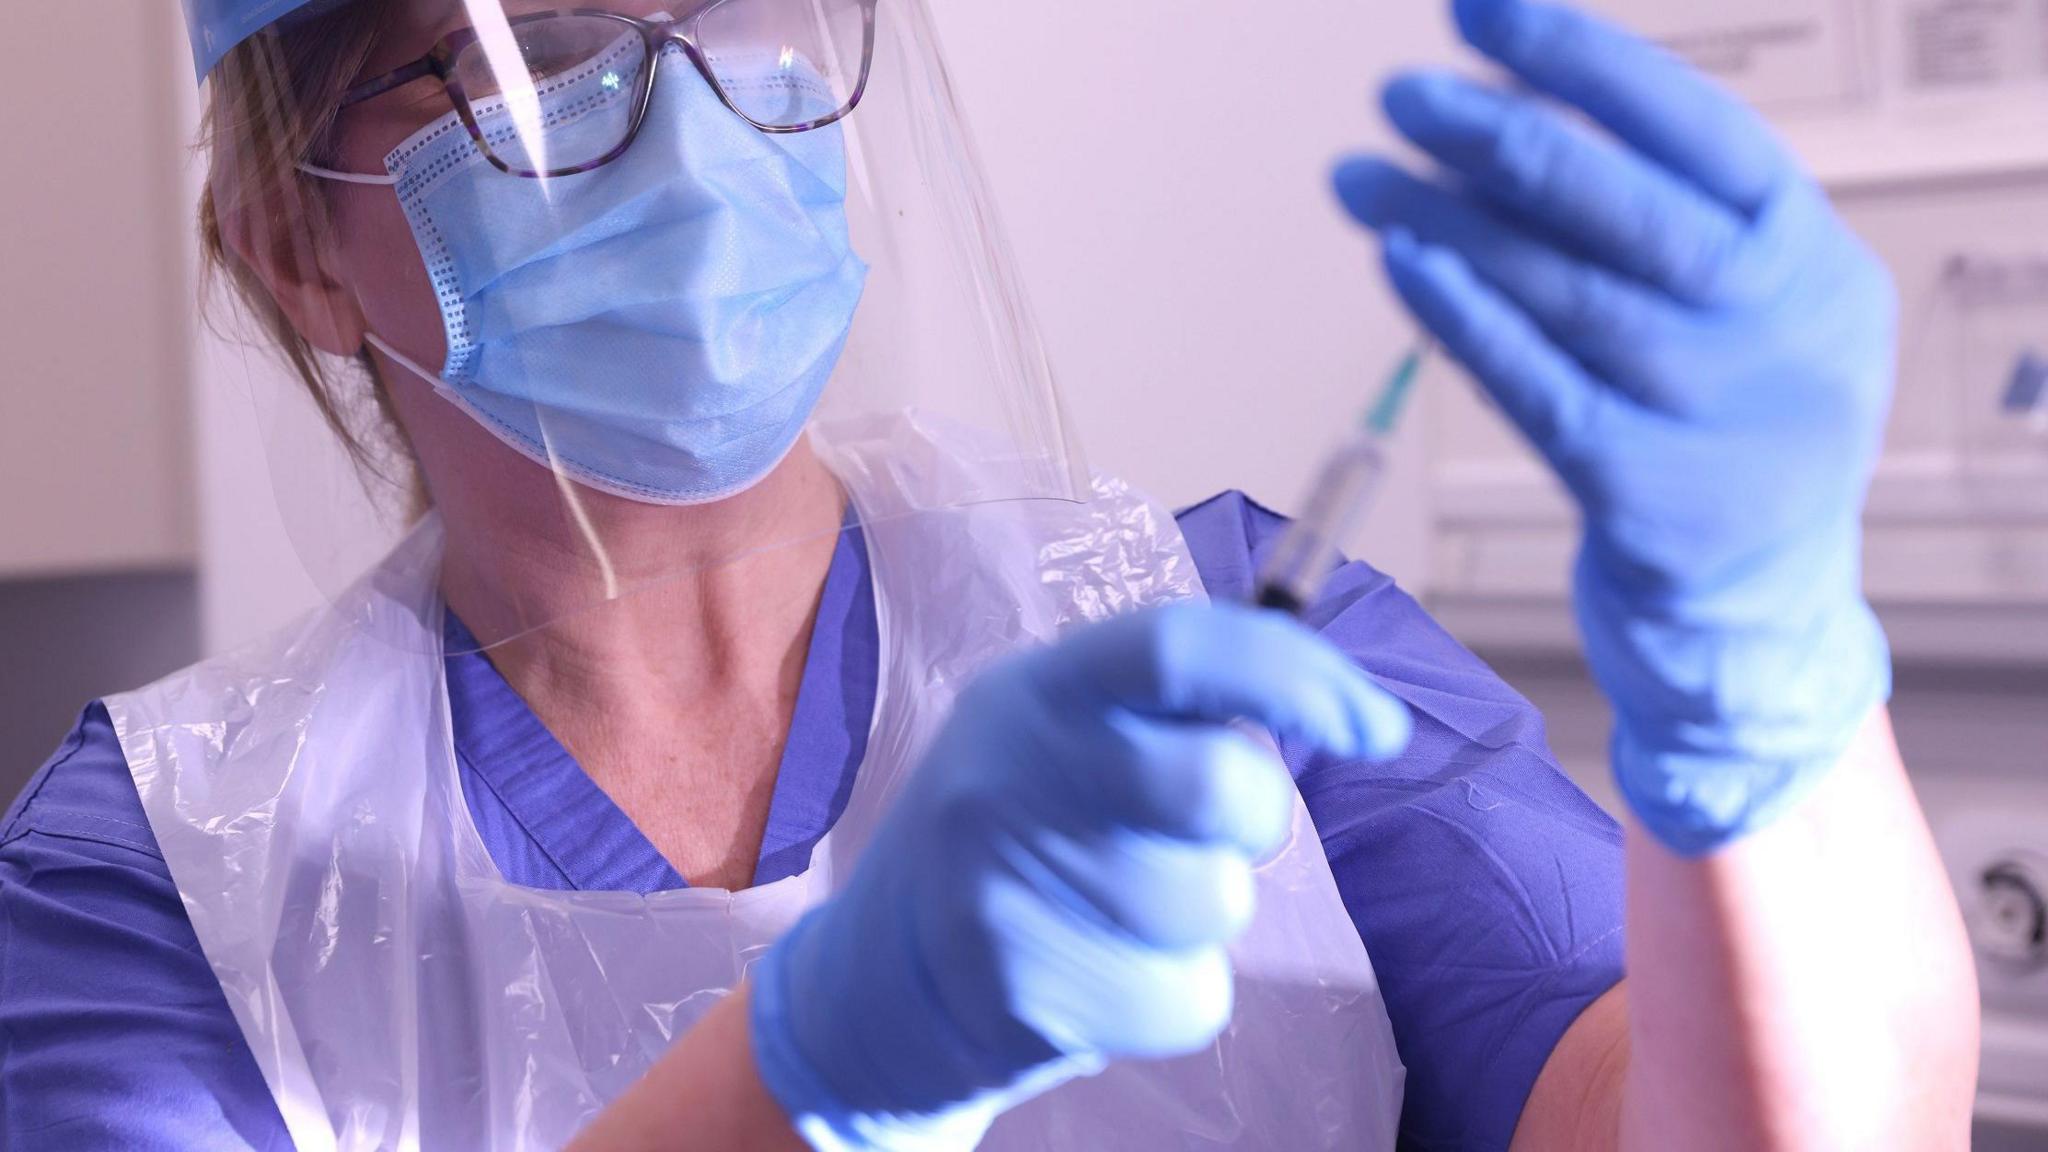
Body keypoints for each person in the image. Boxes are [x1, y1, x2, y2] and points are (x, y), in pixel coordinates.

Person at [0, 0, 1977, 1149]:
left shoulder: (1240, 646)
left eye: (746, 18)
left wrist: (1774, 689)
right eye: (551, 60)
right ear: (290, 244)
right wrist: (812, 1072)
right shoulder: (171, 868)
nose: (694, 130)